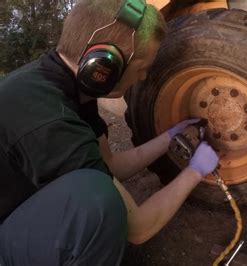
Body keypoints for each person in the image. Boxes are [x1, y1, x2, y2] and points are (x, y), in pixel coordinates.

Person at [0, 0, 219, 265]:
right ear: (105, 65)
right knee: (98, 203)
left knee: (97, 185)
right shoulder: (50, 122)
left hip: (16, 209)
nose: (142, 77)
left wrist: (169, 137)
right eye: (142, 68)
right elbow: (139, 228)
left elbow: (111, 166)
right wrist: (195, 171)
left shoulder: (72, 86)